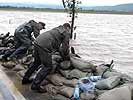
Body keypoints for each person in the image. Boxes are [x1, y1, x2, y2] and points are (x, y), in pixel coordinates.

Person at [22, 23, 71, 93]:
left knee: (36, 62)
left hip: (37, 41)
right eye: (70, 30)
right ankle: (35, 85)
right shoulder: (66, 32)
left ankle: (25, 79)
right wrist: (66, 56)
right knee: (48, 66)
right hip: (44, 45)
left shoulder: (57, 29)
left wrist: (60, 51)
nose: (69, 31)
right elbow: (65, 47)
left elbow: (56, 44)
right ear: (68, 28)